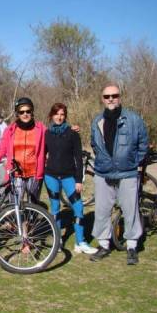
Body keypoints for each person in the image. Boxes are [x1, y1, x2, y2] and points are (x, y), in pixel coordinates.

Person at [90, 83, 148, 265]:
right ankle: (104, 245)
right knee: (101, 211)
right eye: (107, 96)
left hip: (127, 173)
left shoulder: (133, 119)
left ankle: (131, 246)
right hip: (103, 173)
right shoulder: (97, 121)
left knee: (130, 211)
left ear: (120, 97)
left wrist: (132, 162)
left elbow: (143, 144)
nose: (111, 99)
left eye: (114, 95)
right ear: (102, 99)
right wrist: (103, 160)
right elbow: (94, 144)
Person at [44, 103, 98, 254]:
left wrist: (79, 180)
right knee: (55, 209)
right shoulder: (47, 133)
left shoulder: (73, 133)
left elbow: (78, 159)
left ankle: (80, 242)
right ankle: (58, 240)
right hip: (51, 177)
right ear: (51, 115)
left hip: (69, 176)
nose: (59, 117)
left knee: (78, 207)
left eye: (62, 114)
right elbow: (42, 154)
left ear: (65, 116)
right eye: (56, 114)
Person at [0, 97, 46, 203]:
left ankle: (31, 220)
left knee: (34, 206)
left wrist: (70, 131)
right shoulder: (10, 130)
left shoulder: (41, 129)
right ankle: (18, 220)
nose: (25, 114)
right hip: (16, 174)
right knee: (15, 205)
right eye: (21, 112)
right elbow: (0, 150)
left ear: (32, 112)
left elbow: (55, 139)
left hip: (34, 174)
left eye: (28, 111)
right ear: (17, 114)